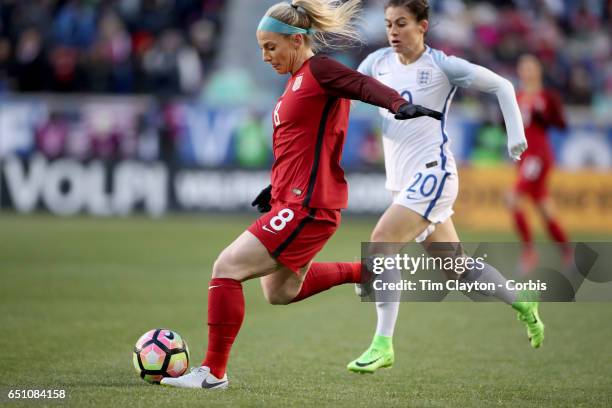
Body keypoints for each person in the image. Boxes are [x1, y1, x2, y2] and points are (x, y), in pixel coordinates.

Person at [161, 0, 441, 389]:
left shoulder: (320, 70)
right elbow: (300, 146)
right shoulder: (294, 82)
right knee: (278, 291)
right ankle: (367, 272)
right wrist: (272, 188)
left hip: (308, 206)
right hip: (291, 200)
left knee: (226, 267)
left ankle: (212, 373)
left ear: (296, 41)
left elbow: (359, 84)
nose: (265, 56)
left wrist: (397, 104)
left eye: (271, 47)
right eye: (261, 48)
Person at [346, 0, 545, 374]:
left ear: (422, 26)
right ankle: (523, 301)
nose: (392, 31)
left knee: (382, 241)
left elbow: (502, 86)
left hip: (434, 174)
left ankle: (382, 344)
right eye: (389, 23)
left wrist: (515, 136)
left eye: (401, 23)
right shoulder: (376, 64)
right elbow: (345, 97)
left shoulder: (441, 65)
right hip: (403, 184)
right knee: (457, 269)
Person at [508, 54, 570, 274]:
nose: (526, 71)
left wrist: (543, 116)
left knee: (513, 198)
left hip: (539, 157)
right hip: (524, 158)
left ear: (538, 71)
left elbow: (562, 125)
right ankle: (568, 253)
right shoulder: (516, 96)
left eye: (530, 67)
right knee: (544, 208)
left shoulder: (547, 96)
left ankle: (529, 252)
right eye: (523, 67)